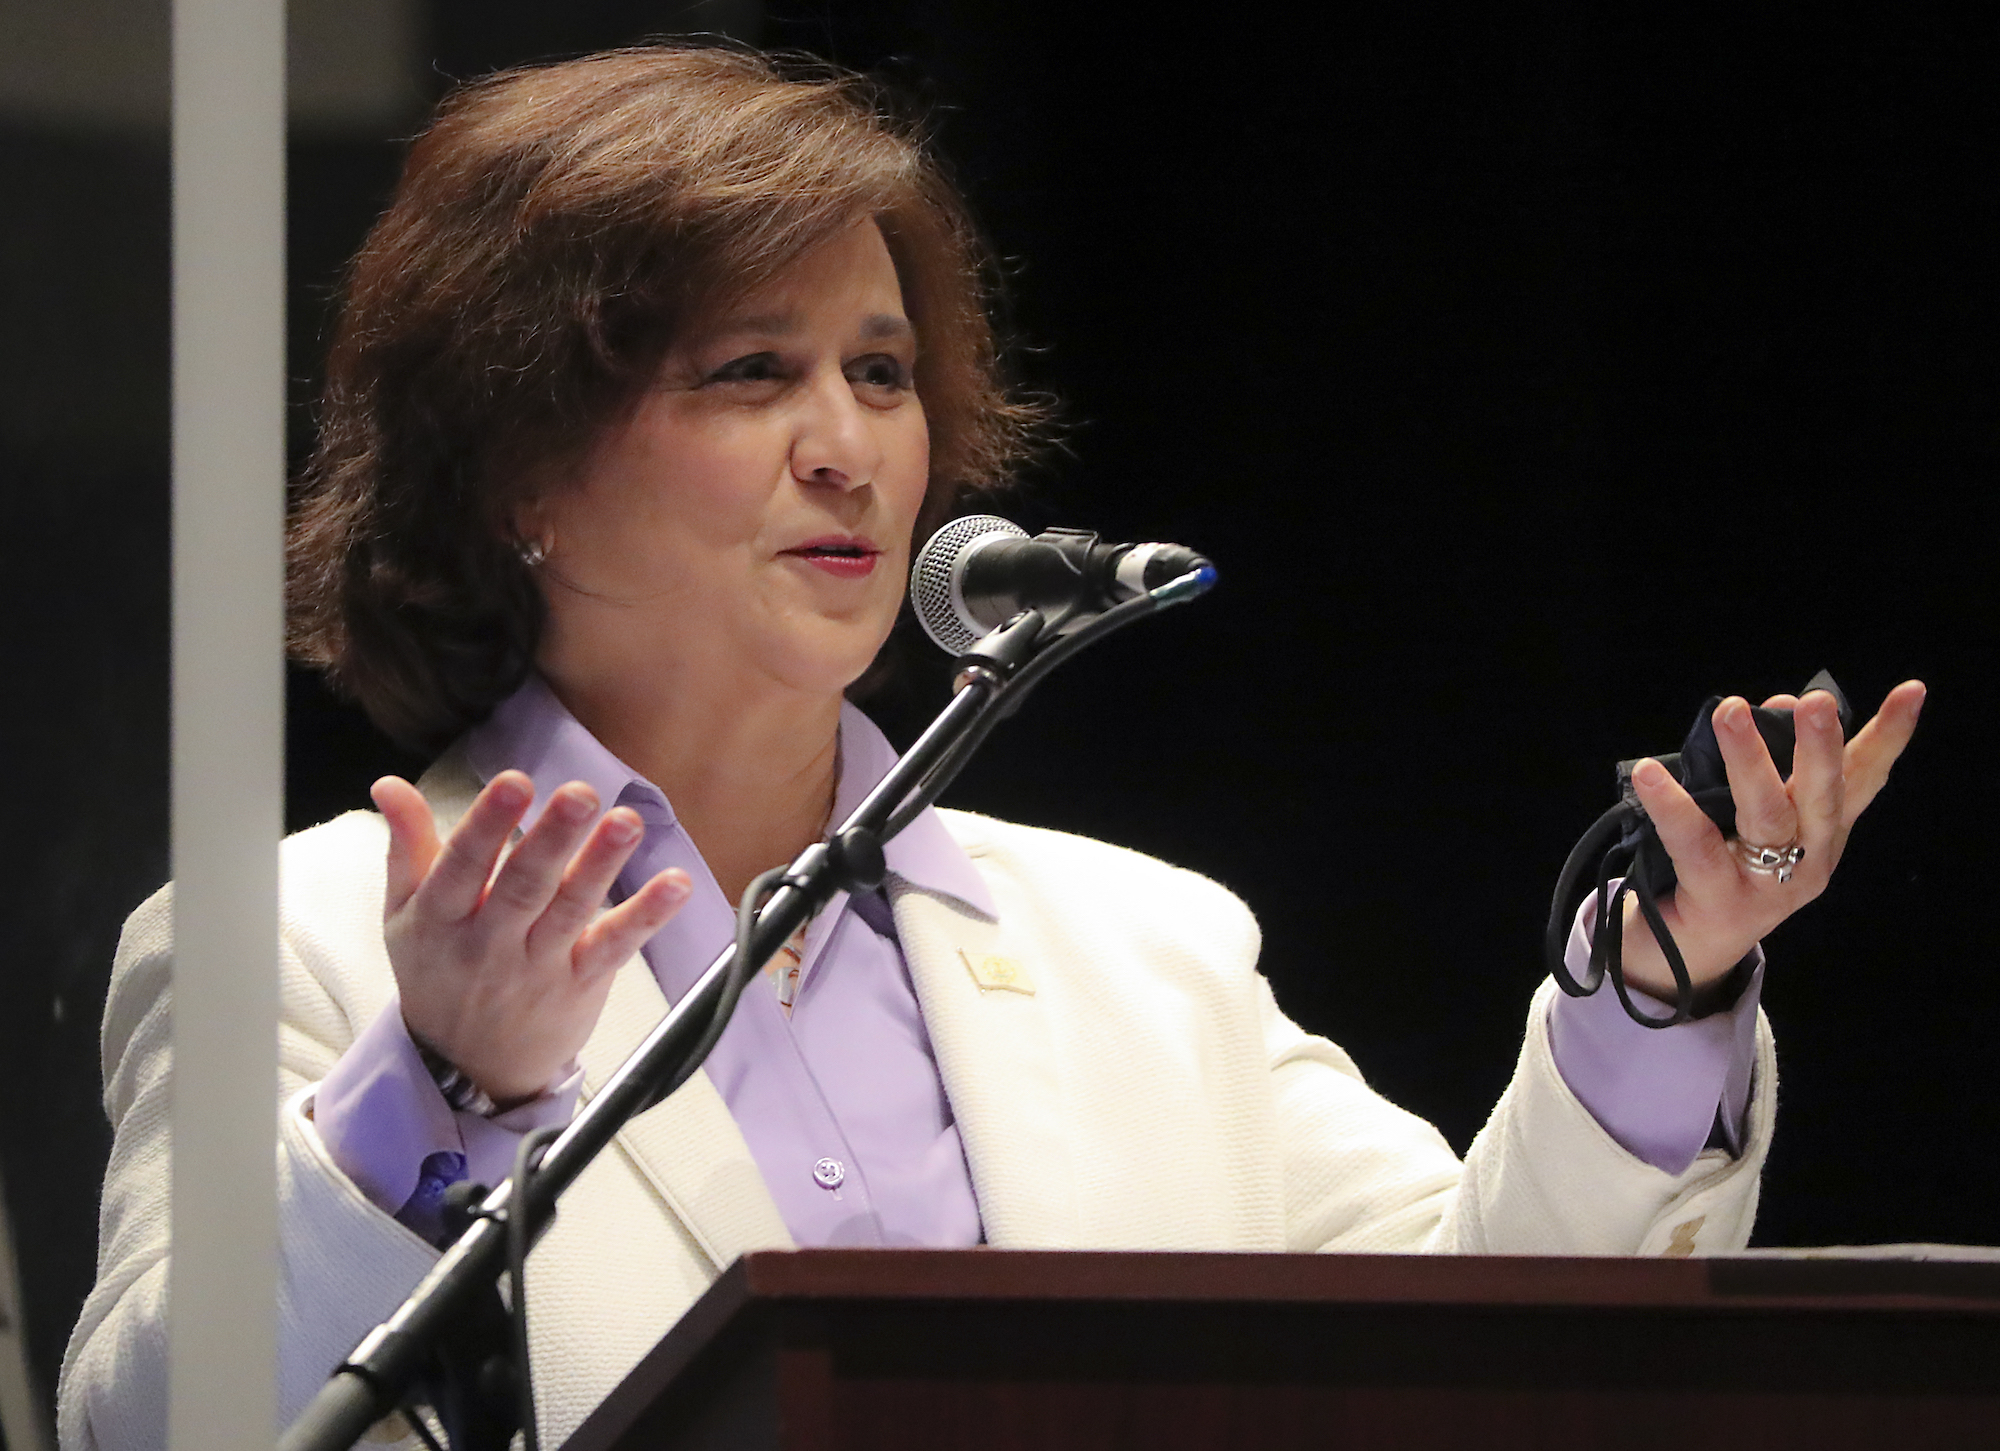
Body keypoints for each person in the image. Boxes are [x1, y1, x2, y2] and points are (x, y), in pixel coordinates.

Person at [58, 45, 1925, 1451]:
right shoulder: (291, 943)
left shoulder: (1144, 949)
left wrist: (1661, 997)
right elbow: (162, 1425)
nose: (850, 445)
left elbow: (1478, 1351)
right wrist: (440, 1088)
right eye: (747, 372)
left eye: (880, 373)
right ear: (522, 467)